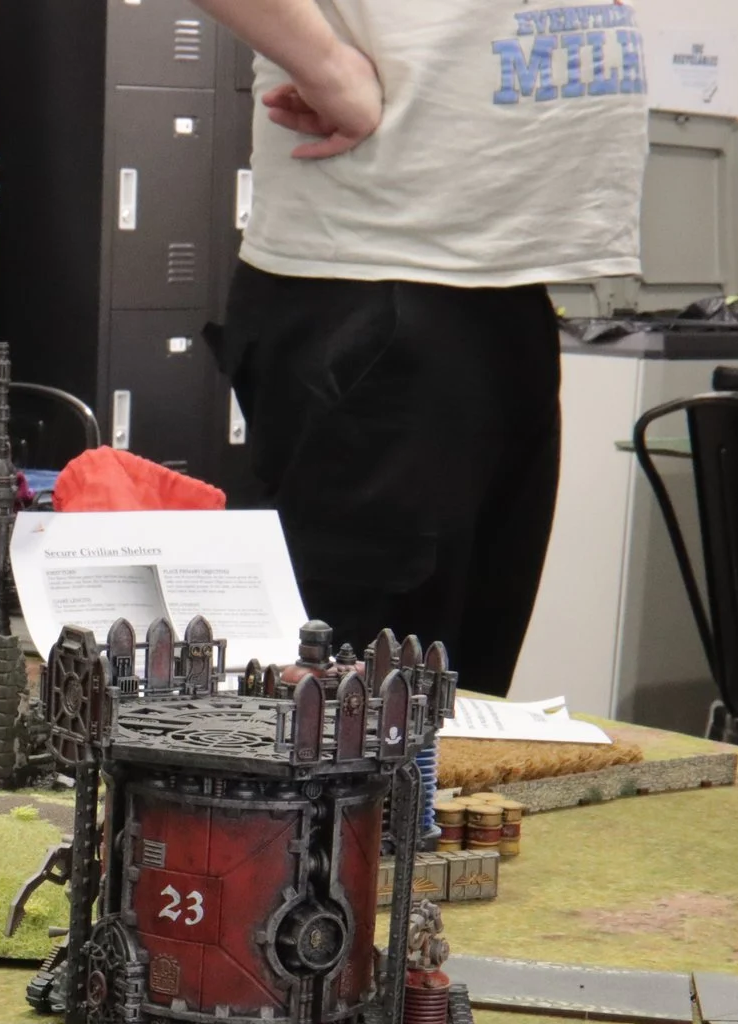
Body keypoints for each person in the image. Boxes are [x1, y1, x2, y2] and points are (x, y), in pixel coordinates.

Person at [200, 0, 646, 695]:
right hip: (379, 270)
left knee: (460, 709)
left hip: (506, 277)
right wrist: (326, 64)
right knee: (355, 720)